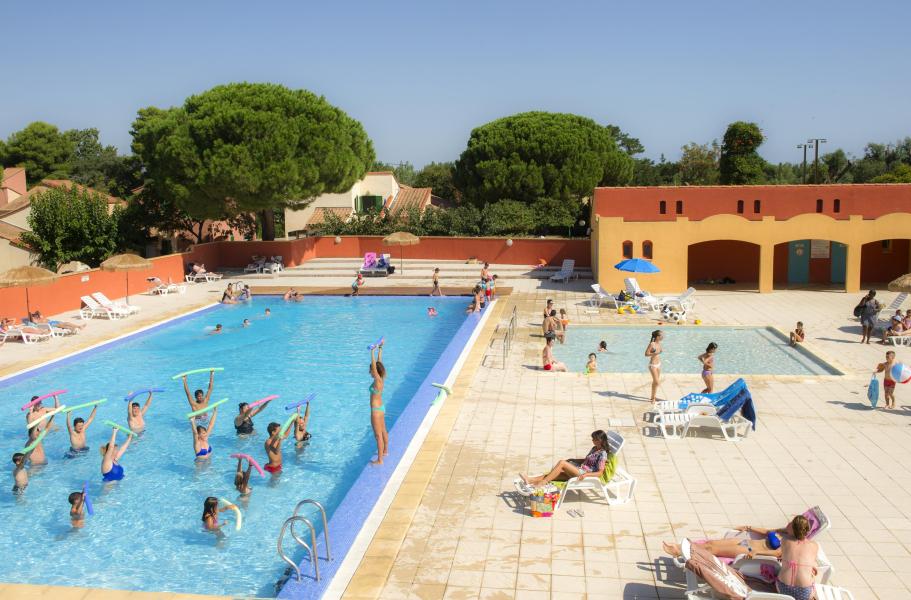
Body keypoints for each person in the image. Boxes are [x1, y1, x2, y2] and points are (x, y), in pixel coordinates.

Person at [662, 516, 817, 600]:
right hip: (746, 542)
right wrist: (748, 527)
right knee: (711, 543)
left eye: (791, 522)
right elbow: (767, 531)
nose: (788, 522)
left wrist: (758, 554)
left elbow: (778, 555)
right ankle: (683, 548)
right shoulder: (784, 534)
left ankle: (679, 550)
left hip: (748, 549)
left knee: (712, 548)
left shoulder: (787, 542)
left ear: (795, 529)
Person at [520, 430, 614, 486]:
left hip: (583, 474)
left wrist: (585, 475)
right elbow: (586, 460)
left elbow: (600, 472)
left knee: (562, 463)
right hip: (579, 470)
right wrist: (573, 459)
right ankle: (530, 480)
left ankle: (543, 483)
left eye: (594, 439)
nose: (592, 440)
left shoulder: (602, 454)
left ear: (599, 440)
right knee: (553, 474)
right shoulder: (595, 448)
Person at [369, 342, 389, 465]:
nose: (370, 372)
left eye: (371, 370)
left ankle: (380, 460)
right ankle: (385, 451)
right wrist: (380, 349)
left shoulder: (377, 380)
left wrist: (372, 351)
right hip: (381, 408)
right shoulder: (381, 379)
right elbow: (379, 363)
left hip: (376, 411)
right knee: (383, 431)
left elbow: (375, 366)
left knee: (378, 435)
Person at [645, 330, 663, 404]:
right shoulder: (652, 344)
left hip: (658, 364)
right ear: (658, 337)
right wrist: (655, 353)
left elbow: (660, 351)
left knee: (655, 382)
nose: (663, 337)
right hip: (653, 365)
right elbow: (646, 354)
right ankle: (654, 398)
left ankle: (653, 397)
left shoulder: (659, 343)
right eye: (661, 335)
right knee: (657, 382)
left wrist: (659, 352)